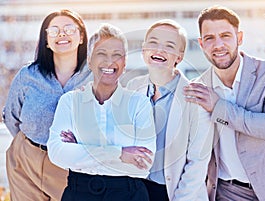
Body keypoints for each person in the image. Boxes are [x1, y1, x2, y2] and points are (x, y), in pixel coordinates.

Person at [184, 5, 265, 201]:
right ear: (201, 44)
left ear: (239, 38)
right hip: (227, 192)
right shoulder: (199, 88)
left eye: (225, 36)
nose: (218, 44)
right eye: (210, 38)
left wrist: (219, 108)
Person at [47, 23, 156, 201]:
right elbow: (58, 153)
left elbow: (143, 164)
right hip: (79, 193)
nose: (109, 61)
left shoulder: (139, 104)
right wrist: (120, 154)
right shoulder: (70, 102)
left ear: (124, 62)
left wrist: (81, 149)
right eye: (101, 54)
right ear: (89, 60)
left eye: (117, 55)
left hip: (128, 194)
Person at [3, 9, 92, 201]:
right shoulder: (28, 75)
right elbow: (11, 116)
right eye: (54, 30)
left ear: (81, 36)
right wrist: (30, 145)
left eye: (69, 29)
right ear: (46, 40)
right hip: (26, 161)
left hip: (72, 167)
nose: (61, 34)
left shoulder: (95, 77)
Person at [126, 19, 213, 201]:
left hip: (173, 192)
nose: (159, 49)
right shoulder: (133, 87)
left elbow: (197, 162)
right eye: (154, 43)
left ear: (179, 57)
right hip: (135, 189)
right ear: (143, 50)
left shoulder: (196, 97)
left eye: (169, 45)